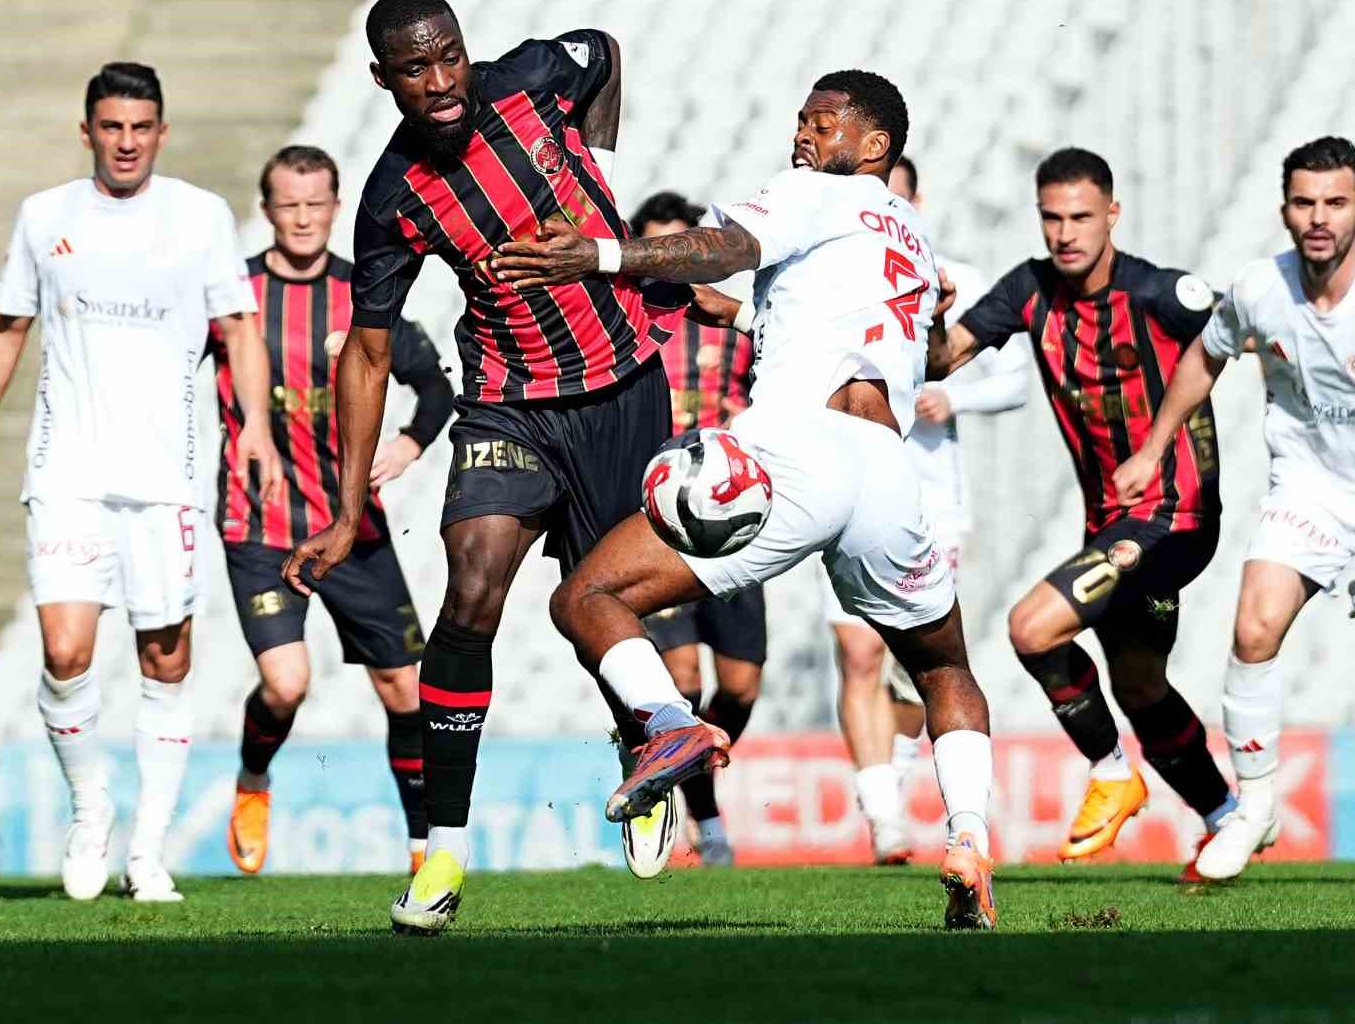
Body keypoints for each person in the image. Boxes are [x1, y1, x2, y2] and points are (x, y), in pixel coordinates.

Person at [495, 70, 1000, 931]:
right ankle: (970, 843)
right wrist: (722, 309)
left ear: (874, 146)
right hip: (888, 472)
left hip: (796, 453)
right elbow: (923, 355)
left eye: (823, 123)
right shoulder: (912, 236)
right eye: (800, 120)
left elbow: (722, 247)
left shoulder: (813, 193)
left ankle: (667, 723)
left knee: (586, 595)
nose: (803, 135)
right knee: (946, 670)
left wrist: (601, 255)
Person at [279, 0, 686, 933]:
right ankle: (443, 853)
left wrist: (594, 169)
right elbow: (367, 353)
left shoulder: (536, 77)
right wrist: (347, 509)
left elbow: (605, 47)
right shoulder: (392, 196)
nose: (440, 82)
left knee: (603, 604)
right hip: (508, 400)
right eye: (415, 70)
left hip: (623, 387)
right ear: (383, 79)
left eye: (449, 57)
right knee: (470, 588)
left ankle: (644, 744)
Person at [0, 62, 281, 903]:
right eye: (113, 127)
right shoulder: (44, 216)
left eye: (141, 127)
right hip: (68, 472)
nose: (127, 142)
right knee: (65, 652)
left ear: (162, 132)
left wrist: (258, 429)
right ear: (86, 130)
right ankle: (91, 807)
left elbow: (239, 328)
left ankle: (148, 851)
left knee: (165, 658)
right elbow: (7, 328)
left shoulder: (199, 216)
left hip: (165, 480)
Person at [1115, 136, 1355, 886]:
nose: (1319, 217)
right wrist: (1152, 448)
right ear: (1284, 210)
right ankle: (1253, 808)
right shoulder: (1260, 289)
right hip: (1310, 487)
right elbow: (1206, 354)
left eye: (1335, 203)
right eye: (1305, 202)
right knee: (1255, 626)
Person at [936, 147, 1236, 880]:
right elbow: (944, 360)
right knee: (1139, 685)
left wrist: (1158, 447)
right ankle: (1227, 819)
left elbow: (1236, 330)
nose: (1065, 233)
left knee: (1030, 627)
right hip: (1111, 524)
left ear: (1112, 214)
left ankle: (1109, 772)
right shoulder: (1030, 289)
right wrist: (933, 322)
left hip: (1176, 515)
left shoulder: (1160, 292)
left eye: (1080, 217)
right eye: (1052, 218)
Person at [214, 145, 454, 877]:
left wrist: (410, 442)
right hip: (260, 521)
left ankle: (421, 849)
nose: (303, 218)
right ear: (267, 210)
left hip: (353, 528)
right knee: (287, 683)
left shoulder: (363, 295)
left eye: (315, 204)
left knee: (406, 688)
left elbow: (436, 387)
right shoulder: (234, 295)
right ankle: (253, 778)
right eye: (289, 205)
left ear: (336, 206)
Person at [825, 156, 1030, 864]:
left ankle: (898, 776)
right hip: (846, 493)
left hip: (931, 500)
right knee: (858, 652)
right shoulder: (832, 281)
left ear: (917, 202)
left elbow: (1016, 380)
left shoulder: (956, 280)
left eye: (895, 197)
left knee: (921, 657)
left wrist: (954, 394)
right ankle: (883, 817)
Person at [627, 191, 760, 870]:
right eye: (657, 251)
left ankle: (681, 769)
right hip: (657, 523)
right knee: (680, 677)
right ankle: (708, 825)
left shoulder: (732, 322)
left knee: (741, 686)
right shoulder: (626, 324)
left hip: (732, 521)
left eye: (680, 249)